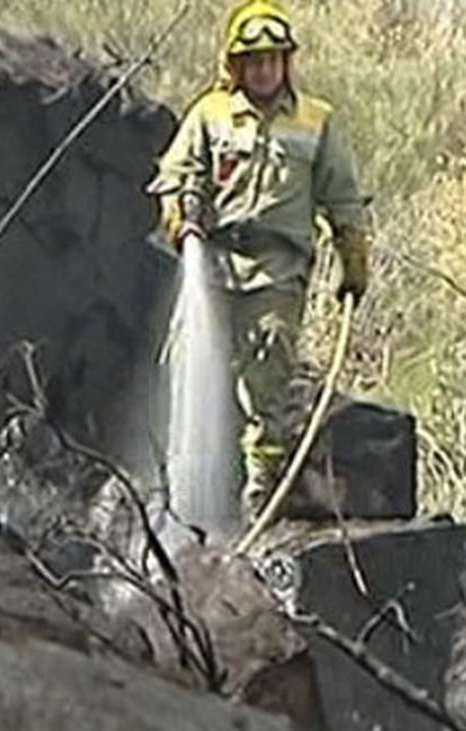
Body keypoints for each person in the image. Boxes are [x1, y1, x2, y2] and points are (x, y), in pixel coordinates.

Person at [148, 0, 372, 522]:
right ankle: (185, 492)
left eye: (272, 59)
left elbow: (342, 198)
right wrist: (183, 217)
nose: (264, 69)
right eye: (254, 61)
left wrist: (352, 259)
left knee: (268, 369)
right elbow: (178, 174)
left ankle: (261, 488)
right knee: (191, 367)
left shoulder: (317, 121)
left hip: (277, 271)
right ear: (236, 65)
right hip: (214, 264)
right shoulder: (210, 114)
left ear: (286, 63)